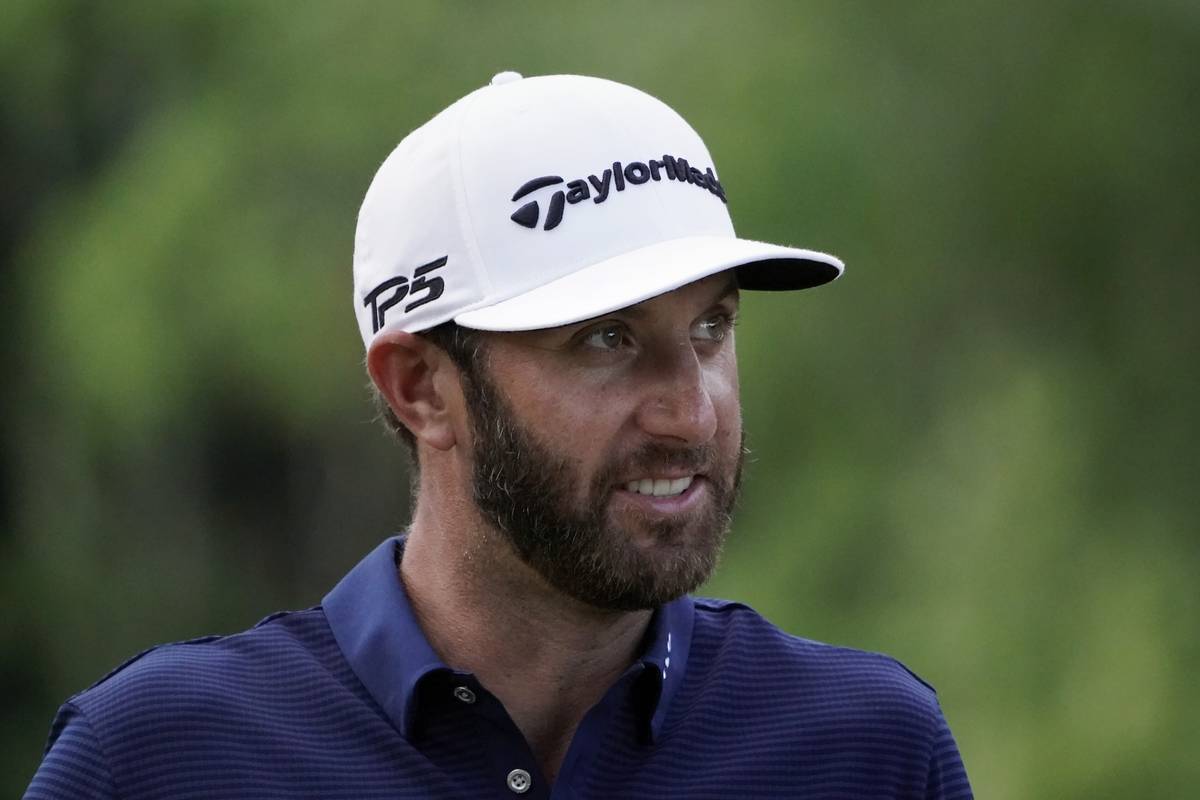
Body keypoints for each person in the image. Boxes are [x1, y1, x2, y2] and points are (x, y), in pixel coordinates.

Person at [25, 72, 973, 799]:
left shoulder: (868, 750)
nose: (692, 412)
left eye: (710, 330)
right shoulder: (161, 757)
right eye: (606, 340)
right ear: (421, 389)